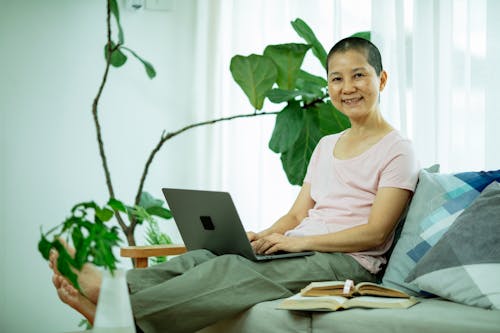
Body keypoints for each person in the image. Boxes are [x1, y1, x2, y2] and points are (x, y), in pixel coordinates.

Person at [49, 36, 419, 333]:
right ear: (329, 85)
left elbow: (375, 232)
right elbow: (296, 215)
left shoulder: (397, 149)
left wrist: (298, 242)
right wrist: (264, 237)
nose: (347, 87)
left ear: (381, 80)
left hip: (349, 264)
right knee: (206, 257)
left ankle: (114, 307)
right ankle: (114, 299)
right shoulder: (325, 145)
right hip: (305, 250)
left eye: (359, 75)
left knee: (230, 272)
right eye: (337, 78)